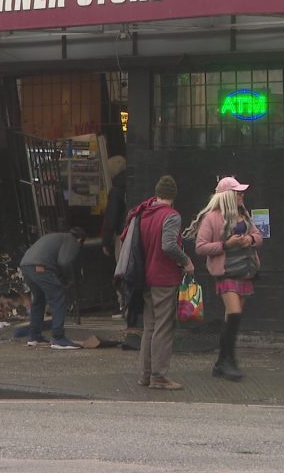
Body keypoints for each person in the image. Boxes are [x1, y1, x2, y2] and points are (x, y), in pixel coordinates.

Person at [184, 176, 262, 381]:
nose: (242, 195)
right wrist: (227, 245)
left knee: (232, 317)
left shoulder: (243, 215)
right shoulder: (212, 218)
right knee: (234, 313)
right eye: (238, 192)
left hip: (245, 270)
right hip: (226, 271)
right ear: (228, 196)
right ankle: (226, 361)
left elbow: (258, 236)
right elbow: (201, 247)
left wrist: (249, 239)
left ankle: (224, 361)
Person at [125, 175, 194, 390]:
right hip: (163, 277)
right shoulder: (171, 216)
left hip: (144, 277)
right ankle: (159, 376)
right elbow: (168, 245)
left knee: (150, 327)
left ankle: (145, 375)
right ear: (173, 196)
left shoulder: (143, 213)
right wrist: (186, 261)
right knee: (164, 327)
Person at [19, 227, 88, 350]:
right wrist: (68, 279)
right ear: (80, 240)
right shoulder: (72, 241)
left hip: (26, 266)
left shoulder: (56, 236)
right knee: (58, 296)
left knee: (39, 299)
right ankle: (58, 337)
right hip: (40, 267)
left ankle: (34, 337)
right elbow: (64, 262)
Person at [101, 156, 129, 317]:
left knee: (121, 270)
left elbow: (111, 217)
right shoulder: (132, 184)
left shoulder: (116, 190)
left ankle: (123, 305)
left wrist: (106, 240)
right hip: (135, 232)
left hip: (121, 234)